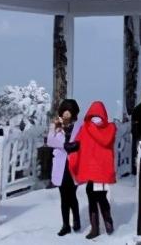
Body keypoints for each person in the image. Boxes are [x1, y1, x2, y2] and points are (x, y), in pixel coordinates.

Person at [68, 101, 117, 239]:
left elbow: (76, 147)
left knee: (92, 198)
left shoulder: (85, 128)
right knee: (102, 196)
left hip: (90, 171)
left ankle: (95, 229)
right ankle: (108, 223)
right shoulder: (110, 129)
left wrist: (73, 163)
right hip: (102, 172)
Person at [46, 98, 82, 236]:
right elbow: (50, 141)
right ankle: (65, 224)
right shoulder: (55, 124)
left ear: (74, 113)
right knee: (63, 196)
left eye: (69, 111)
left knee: (72, 194)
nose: (67, 114)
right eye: (65, 111)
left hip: (74, 163)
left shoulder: (79, 125)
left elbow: (82, 140)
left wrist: (76, 145)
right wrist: (64, 145)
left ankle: (76, 220)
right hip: (60, 164)